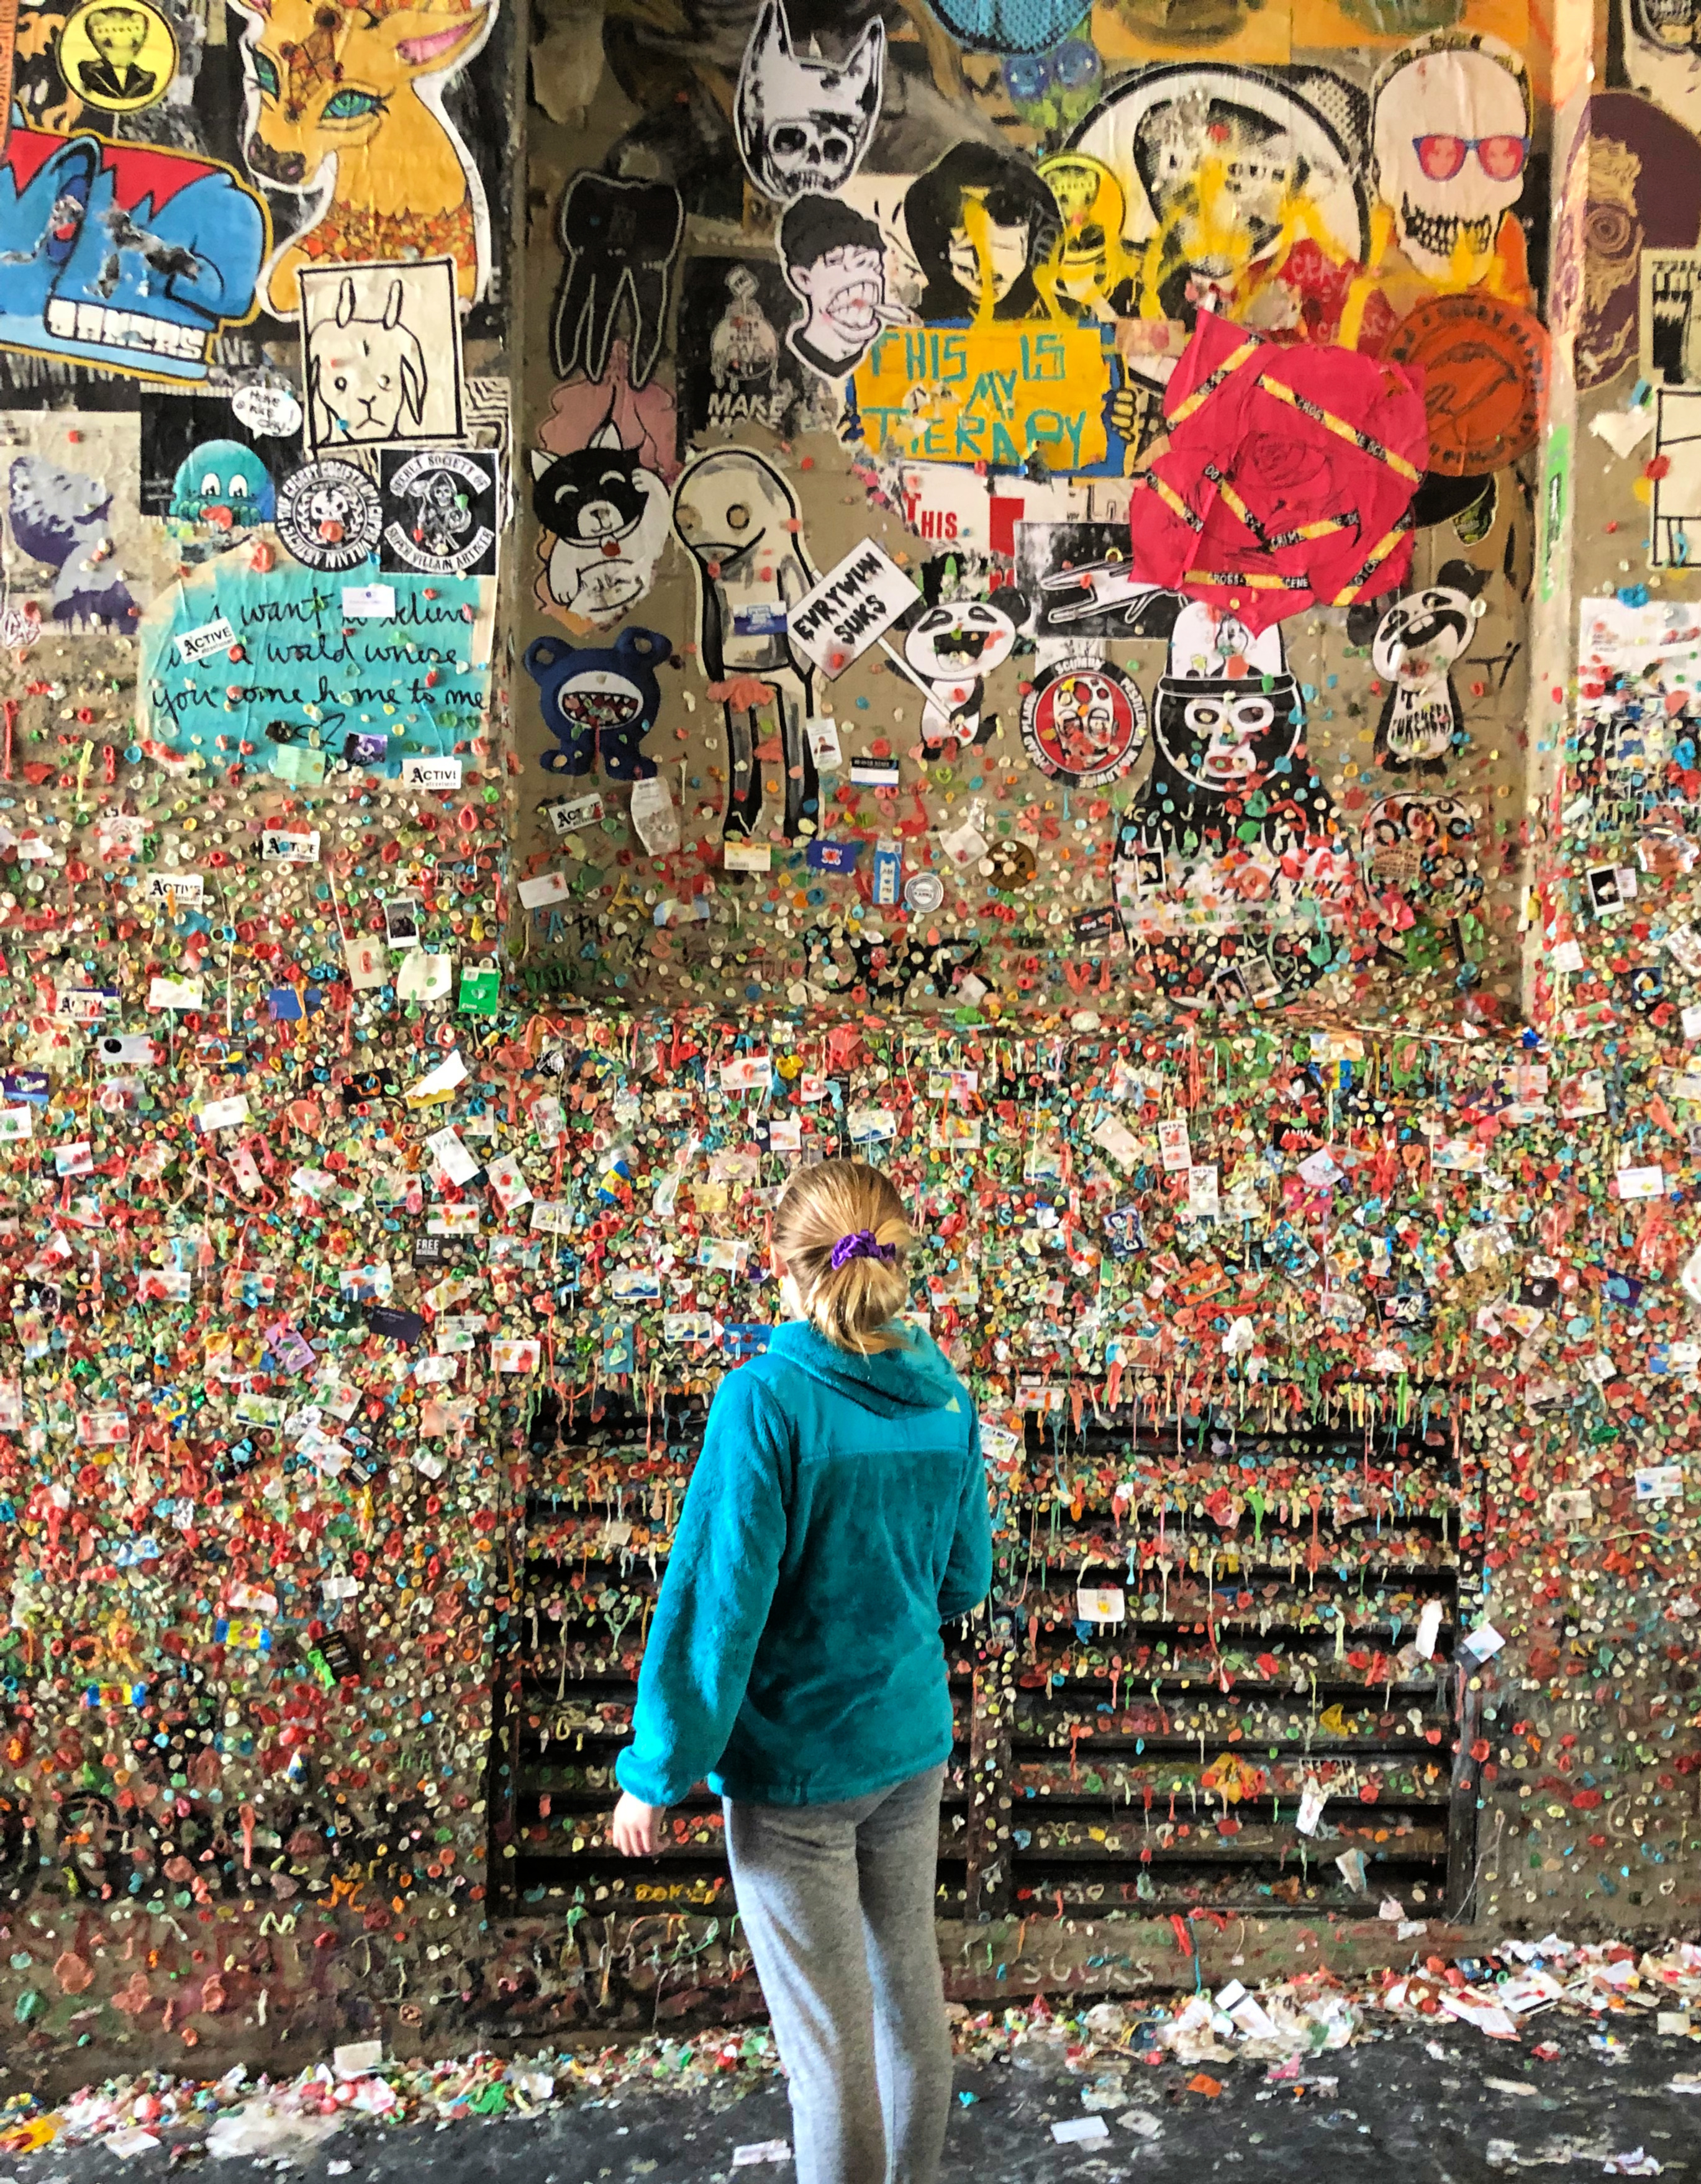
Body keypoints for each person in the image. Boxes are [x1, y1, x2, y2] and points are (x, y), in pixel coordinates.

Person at [612, 1158, 993, 2184]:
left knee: (829, 2048)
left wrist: (658, 1767)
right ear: (896, 1264)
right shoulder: (946, 1396)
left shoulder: (763, 1401)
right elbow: (966, 1580)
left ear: (783, 1270)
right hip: (910, 1748)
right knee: (909, 1999)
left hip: (798, 1779)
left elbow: (716, 1604)